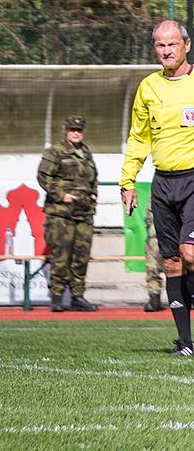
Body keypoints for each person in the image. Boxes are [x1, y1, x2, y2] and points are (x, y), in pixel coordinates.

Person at [121, 19, 194, 356]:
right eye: (160, 46)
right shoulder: (148, 87)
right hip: (163, 183)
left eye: (172, 44)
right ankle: (185, 342)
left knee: (191, 252)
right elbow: (139, 138)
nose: (166, 51)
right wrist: (128, 180)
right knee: (171, 263)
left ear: (186, 45)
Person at [37, 115, 99, 312]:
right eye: (72, 129)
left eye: (79, 130)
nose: (75, 133)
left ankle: (77, 296)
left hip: (84, 213)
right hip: (61, 215)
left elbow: (93, 178)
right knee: (61, 255)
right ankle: (56, 296)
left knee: (81, 256)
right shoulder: (55, 151)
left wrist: (94, 195)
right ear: (65, 130)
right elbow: (43, 176)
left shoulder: (86, 152)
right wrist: (60, 195)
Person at [144, 198, 165, 312]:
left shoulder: (156, 191)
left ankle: (154, 299)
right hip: (171, 234)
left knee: (153, 268)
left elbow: (148, 218)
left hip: (155, 233)